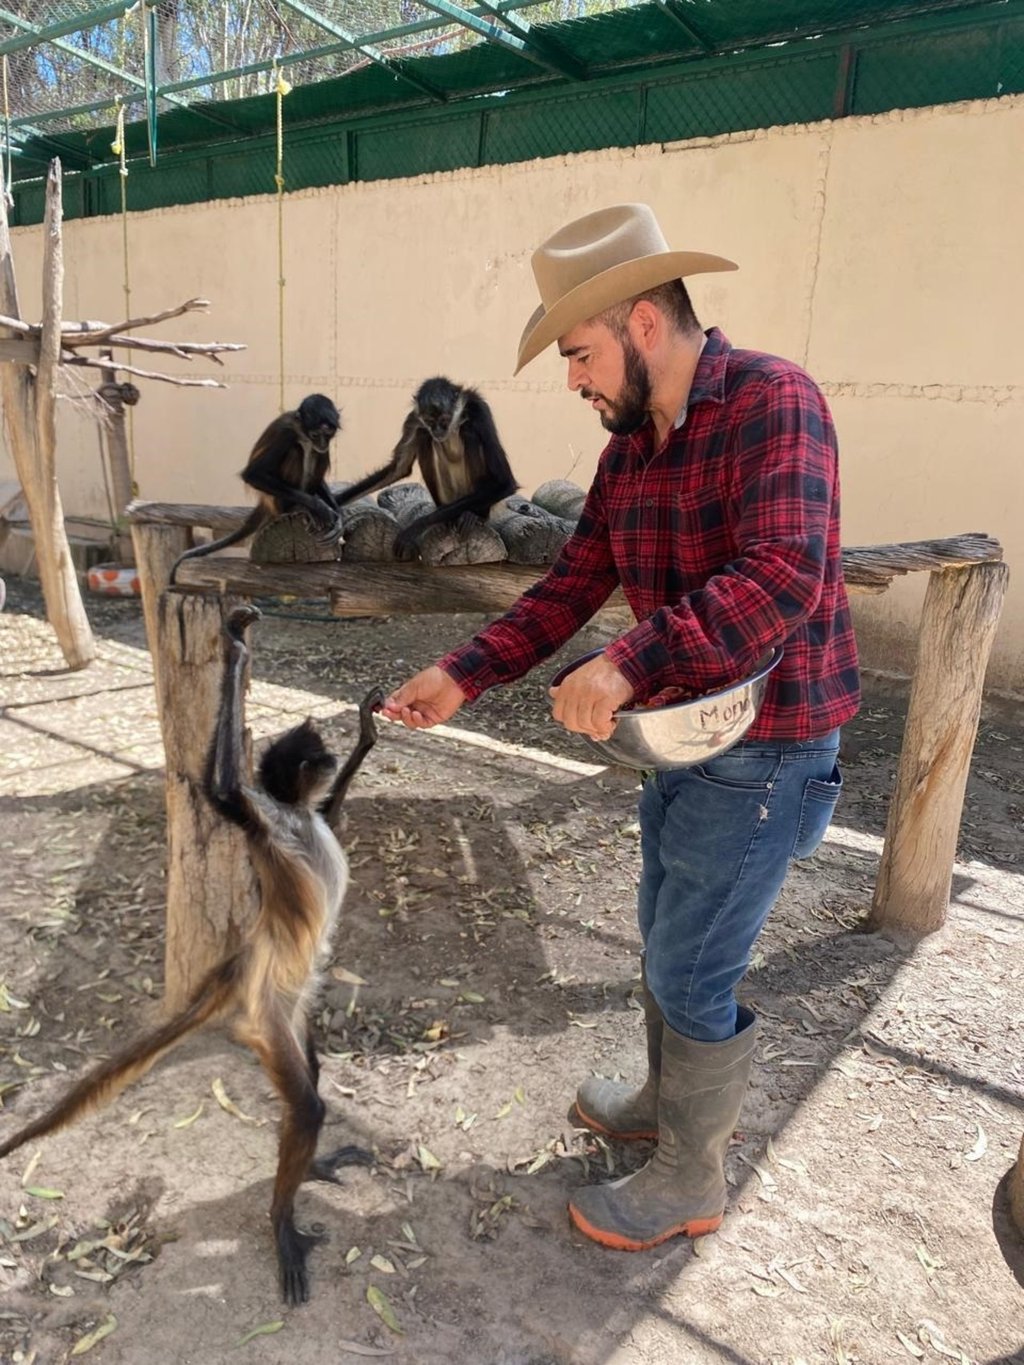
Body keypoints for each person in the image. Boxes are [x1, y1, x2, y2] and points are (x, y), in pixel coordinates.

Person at [383, 203, 860, 1252]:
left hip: (770, 742)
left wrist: (627, 659)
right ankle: (659, 1102)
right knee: (663, 932)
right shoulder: (633, 451)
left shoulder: (775, 402)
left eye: (580, 354)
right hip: (684, 736)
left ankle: (690, 1178)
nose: (573, 380)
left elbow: (784, 575)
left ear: (644, 322)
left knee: (694, 963)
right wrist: (463, 677)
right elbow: (570, 585)